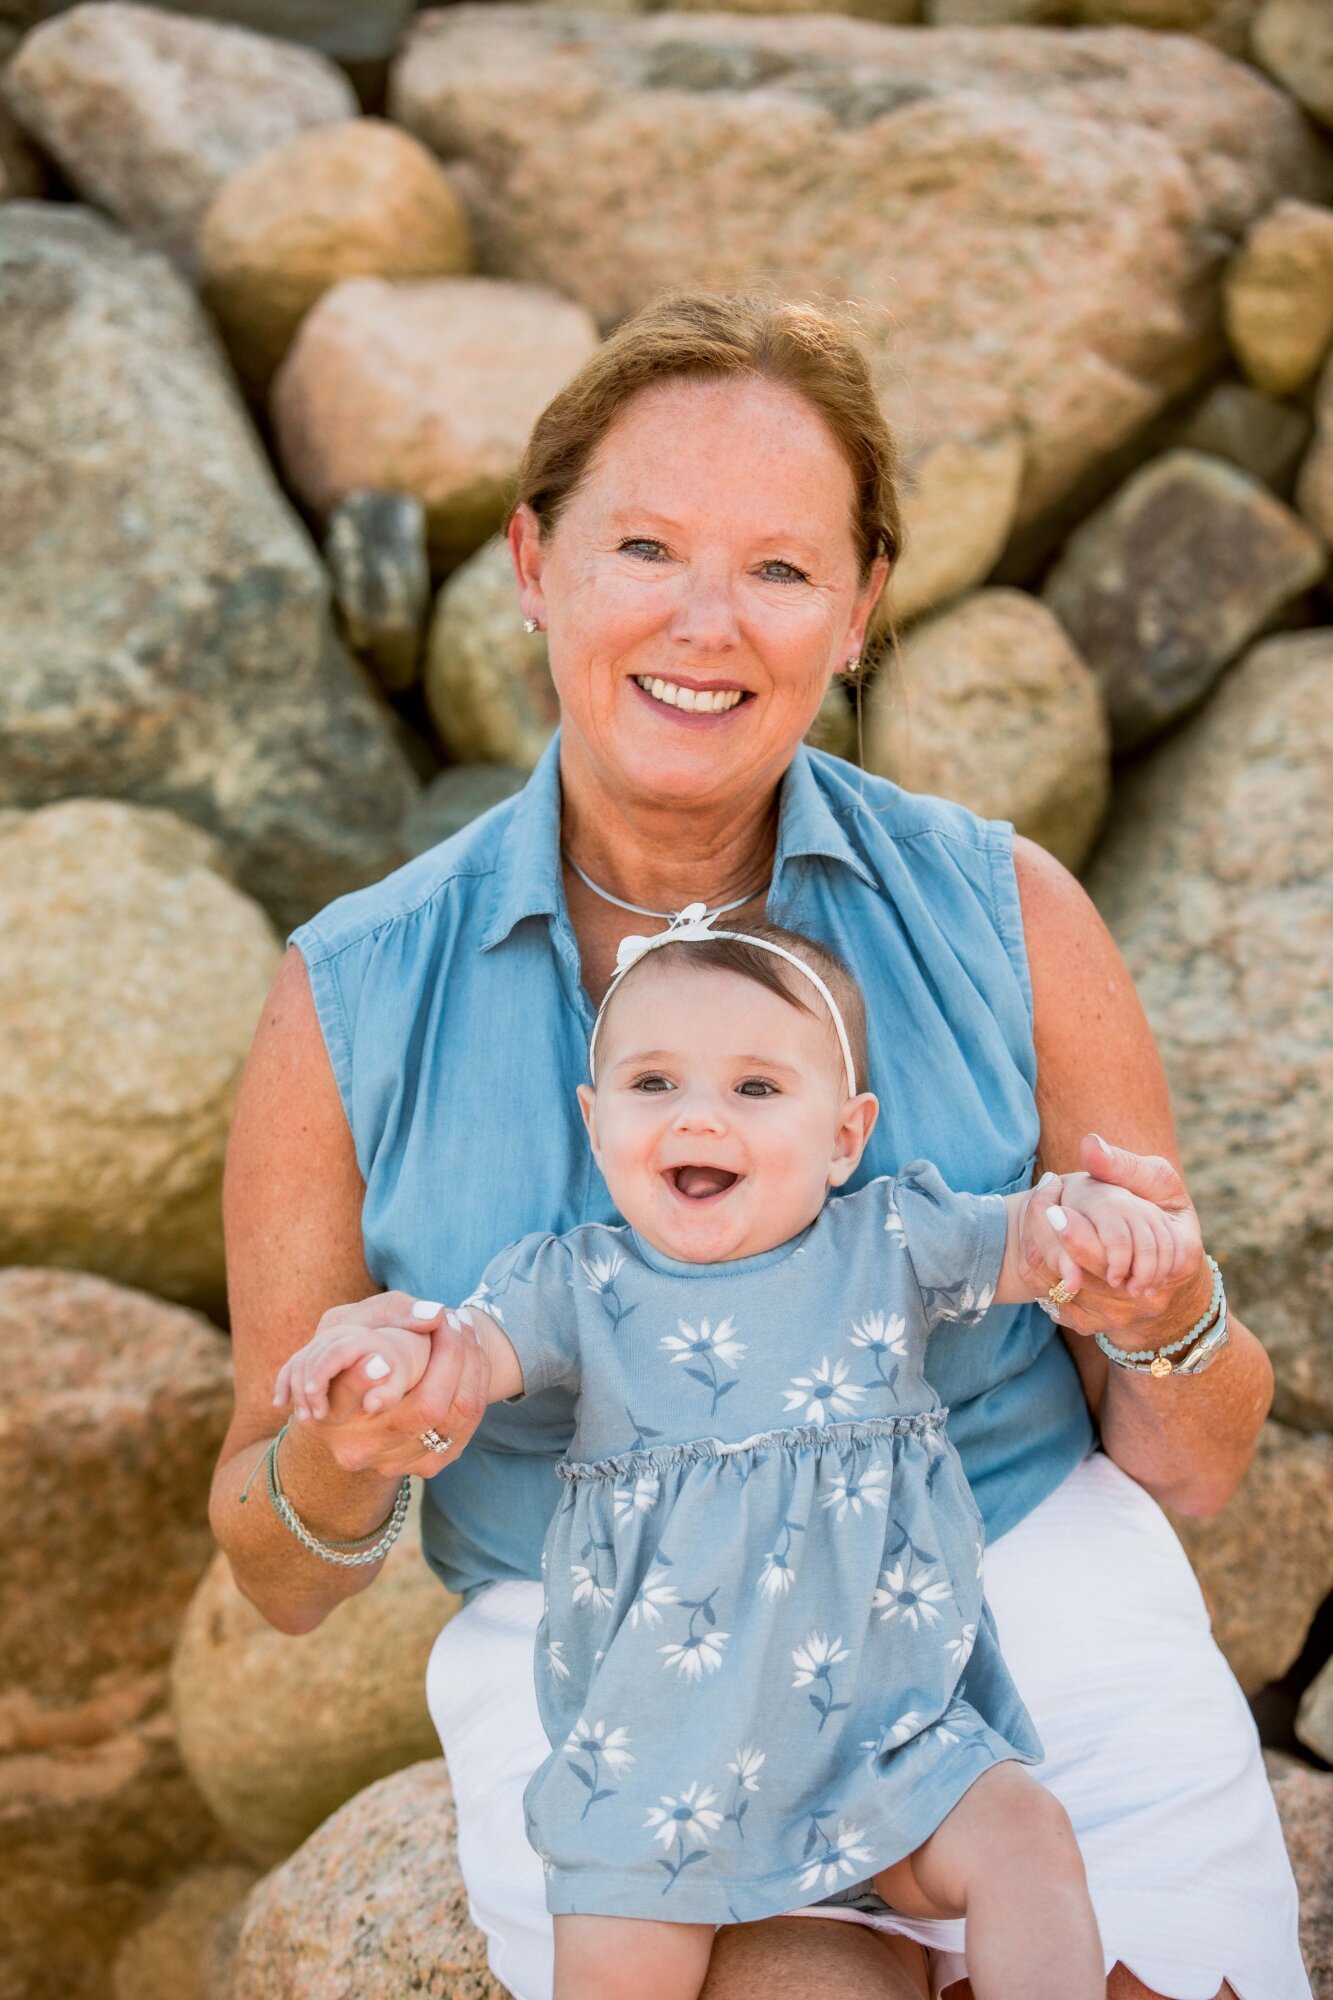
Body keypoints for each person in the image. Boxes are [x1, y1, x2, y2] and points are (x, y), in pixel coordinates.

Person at [212, 292, 1306, 2000]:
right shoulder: (347, 1000)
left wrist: (1159, 1312)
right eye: (642, 545)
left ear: (861, 609)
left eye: (781, 570)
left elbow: (1195, 1460)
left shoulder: (1007, 913)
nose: (703, 624)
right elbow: (272, 1567)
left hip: (1023, 1607)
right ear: (531, 559)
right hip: (611, 1679)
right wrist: (357, 1441)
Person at [275, 912, 1200, 1999]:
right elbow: (462, 1352)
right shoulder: (577, 1285)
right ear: (594, 1117)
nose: (699, 1114)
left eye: (758, 1088)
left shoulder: (890, 1241)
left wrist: (1099, 1220)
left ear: (845, 1135)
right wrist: (386, 1349)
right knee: (616, 1955)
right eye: (653, 1082)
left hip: (888, 1736)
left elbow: (1032, 1237)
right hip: (664, 1758)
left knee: (1027, 1838)